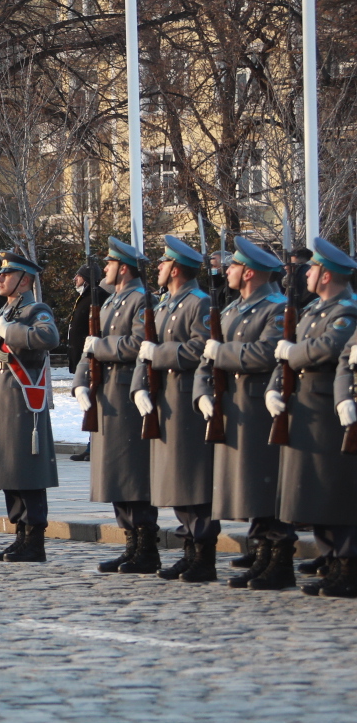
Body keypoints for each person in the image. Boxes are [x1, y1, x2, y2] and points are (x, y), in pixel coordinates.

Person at [194, 237, 294, 589]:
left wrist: (221, 355)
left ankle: (279, 560)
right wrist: (202, 392)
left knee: (267, 485)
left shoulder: (277, 307)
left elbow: (266, 354)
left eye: (233, 266)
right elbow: (207, 358)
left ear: (249, 272)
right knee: (251, 486)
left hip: (259, 409)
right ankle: (261, 554)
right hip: (231, 409)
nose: (227, 270)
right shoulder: (232, 308)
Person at [132, 236, 219, 581]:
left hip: (187, 400)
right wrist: (140, 385)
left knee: (193, 478)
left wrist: (161, 356)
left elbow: (203, 348)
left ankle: (203, 554)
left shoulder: (199, 303)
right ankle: (188, 548)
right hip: (164, 400)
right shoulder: (166, 303)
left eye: (164, 262)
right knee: (177, 480)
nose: (158, 267)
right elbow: (146, 348)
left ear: (177, 268)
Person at [273, 238, 357, 598]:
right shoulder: (314, 310)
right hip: (306, 410)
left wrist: (294, 353)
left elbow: (330, 349)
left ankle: (346, 565)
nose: (307, 272)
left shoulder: (345, 311)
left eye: (313, 268)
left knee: (332, 491)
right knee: (315, 493)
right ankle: (331, 561)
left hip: (326, 411)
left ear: (326, 276)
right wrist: (276, 387)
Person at [76, 239, 158, 573]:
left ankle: (146, 547)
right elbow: (89, 347)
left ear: (123, 267)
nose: (105, 269)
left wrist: (102, 347)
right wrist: (81, 380)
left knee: (131, 475)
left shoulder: (141, 299)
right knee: (114, 476)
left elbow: (140, 343)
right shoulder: (111, 301)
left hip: (126, 395)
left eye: (109, 263)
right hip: (105, 396)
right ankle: (130, 544)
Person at [0, 250, 61, 563]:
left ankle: (34, 538)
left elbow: (49, 337)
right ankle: (19, 533)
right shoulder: (4, 313)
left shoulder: (35, 309)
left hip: (24, 402)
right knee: (9, 469)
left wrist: (10, 332)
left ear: (23, 280)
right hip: (2, 399)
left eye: (6, 275)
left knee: (28, 471)